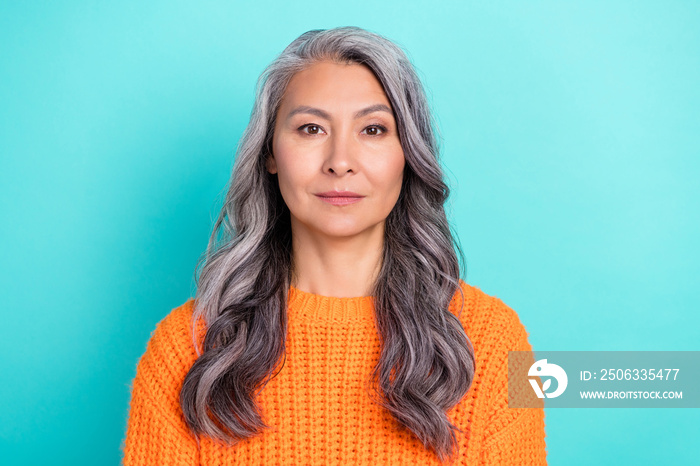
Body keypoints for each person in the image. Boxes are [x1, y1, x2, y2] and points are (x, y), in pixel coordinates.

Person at [121, 26, 547, 465]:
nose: (340, 162)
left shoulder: (498, 344)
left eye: (374, 130)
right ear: (269, 153)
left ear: (409, 154)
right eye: (311, 128)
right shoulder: (185, 348)